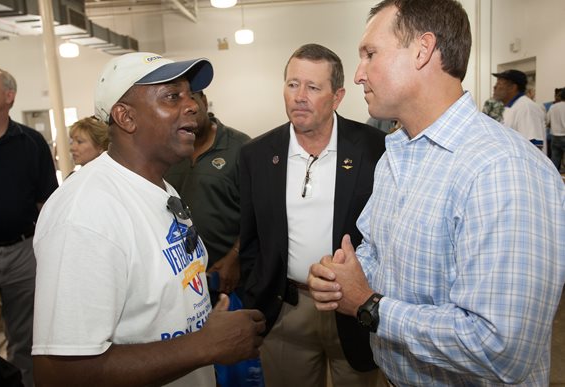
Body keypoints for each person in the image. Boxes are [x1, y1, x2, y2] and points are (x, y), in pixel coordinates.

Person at [308, 1, 565, 386]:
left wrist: (369, 305)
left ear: (423, 50)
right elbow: (378, 253)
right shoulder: (394, 157)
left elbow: (501, 349)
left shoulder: (500, 168)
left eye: (370, 54)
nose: (359, 74)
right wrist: (346, 275)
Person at [32, 52, 265, 387]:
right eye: (172, 96)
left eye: (190, 95)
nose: (192, 106)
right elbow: (60, 374)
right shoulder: (85, 215)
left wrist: (205, 331)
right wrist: (204, 345)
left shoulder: (157, 186)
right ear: (126, 117)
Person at [239, 43, 386, 386]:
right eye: (292, 84)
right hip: (286, 309)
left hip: (354, 309)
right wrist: (256, 298)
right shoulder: (256, 155)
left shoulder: (375, 149)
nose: (299, 96)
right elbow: (250, 239)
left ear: (337, 97)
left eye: (313, 87)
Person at [0, 64, 58, 387]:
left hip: (23, 253)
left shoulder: (31, 142)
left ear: (9, 96)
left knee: (27, 338)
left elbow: (47, 202)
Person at [165, 90, 250, 298]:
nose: (187, 108)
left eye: (192, 97)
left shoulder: (241, 147)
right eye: (175, 99)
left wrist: (235, 257)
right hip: (181, 278)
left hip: (229, 279)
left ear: (203, 101)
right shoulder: (166, 149)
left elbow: (260, 213)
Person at [492, 69, 546, 152]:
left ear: (512, 87)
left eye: (499, 83)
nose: (495, 87)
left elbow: (533, 146)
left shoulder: (526, 107)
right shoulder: (511, 108)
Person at [547, 87, 565, 172]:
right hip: (564, 135)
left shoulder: (552, 107)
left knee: (555, 159)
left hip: (554, 136)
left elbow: (547, 122)